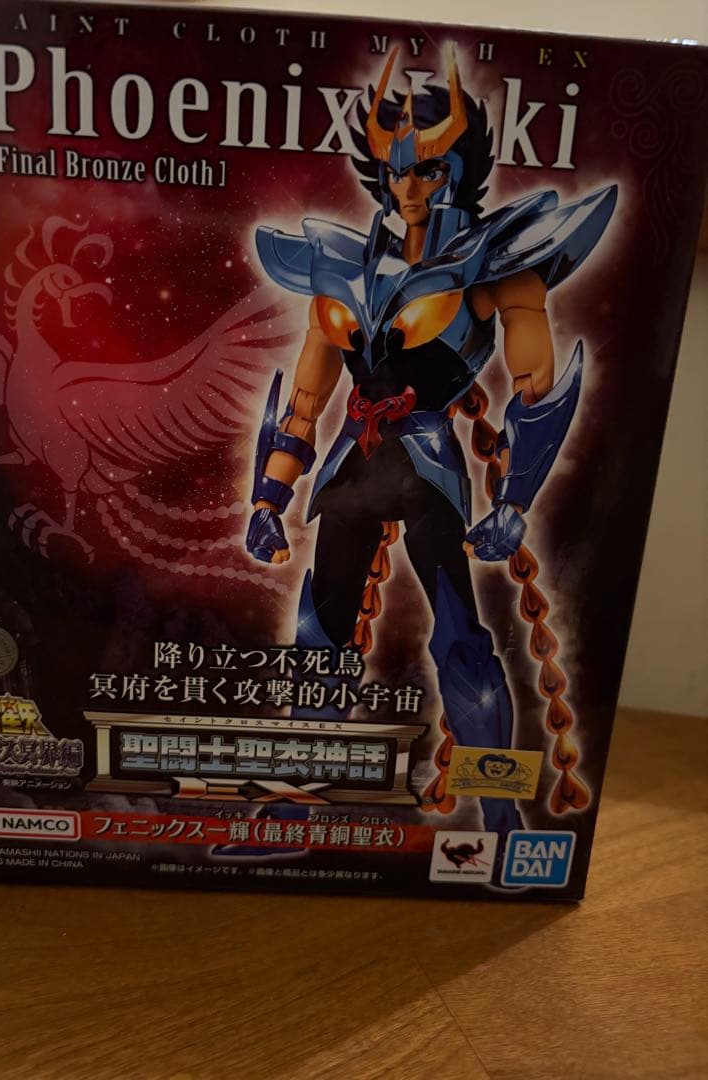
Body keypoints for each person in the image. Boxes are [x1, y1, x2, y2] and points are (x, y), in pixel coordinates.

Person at [242, 47, 616, 862]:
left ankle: (501, 817)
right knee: (318, 636)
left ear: (461, 168)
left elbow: (536, 388)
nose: (410, 187)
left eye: (429, 167)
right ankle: (296, 804)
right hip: (350, 470)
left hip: (428, 471)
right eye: (396, 169)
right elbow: (304, 401)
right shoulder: (339, 267)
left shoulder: (494, 264)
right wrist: (269, 497)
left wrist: (513, 502)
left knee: (461, 643)